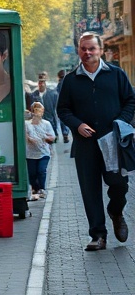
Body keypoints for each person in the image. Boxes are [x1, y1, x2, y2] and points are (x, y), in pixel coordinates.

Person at [57, 32, 135, 251]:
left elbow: (130, 101)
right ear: (78, 50)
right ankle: (98, 235)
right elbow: (63, 110)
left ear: (101, 50)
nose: (87, 53)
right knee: (90, 190)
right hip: (85, 145)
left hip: (113, 143)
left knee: (119, 184)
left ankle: (116, 211)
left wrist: (120, 121)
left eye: (92, 48)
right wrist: (77, 125)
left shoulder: (116, 75)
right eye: (83, 48)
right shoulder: (71, 80)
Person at [25, 102, 55, 201]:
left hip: (44, 152)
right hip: (30, 153)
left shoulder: (46, 124)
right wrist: (29, 139)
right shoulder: (27, 124)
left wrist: (46, 137)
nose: (38, 113)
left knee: (41, 171)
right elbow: (24, 135)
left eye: (40, 111)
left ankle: (42, 189)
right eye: (36, 111)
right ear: (32, 112)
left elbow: (52, 137)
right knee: (32, 173)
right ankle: (35, 188)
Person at [36, 72, 60, 140]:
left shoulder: (53, 94)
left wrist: (55, 132)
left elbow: (55, 112)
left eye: (43, 82)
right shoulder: (33, 95)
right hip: (39, 126)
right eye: (40, 82)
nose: (42, 84)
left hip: (50, 124)